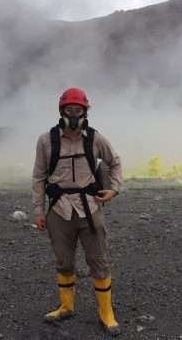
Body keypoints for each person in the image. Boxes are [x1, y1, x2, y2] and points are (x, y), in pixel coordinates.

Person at [31, 87, 122, 336]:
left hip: (89, 208)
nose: (73, 114)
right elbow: (39, 177)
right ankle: (66, 306)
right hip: (59, 211)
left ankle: (106, 313)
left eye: (78, 110)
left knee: (98, 261)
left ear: (85, 111)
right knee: (64, 260)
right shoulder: (45, 140)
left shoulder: (95, 138)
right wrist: (39, 211)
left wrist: (113, 190)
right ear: (61, 111)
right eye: (69, 109)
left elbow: (115, 162)